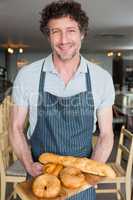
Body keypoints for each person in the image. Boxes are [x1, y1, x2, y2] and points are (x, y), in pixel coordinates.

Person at [9, 0, 115, 199]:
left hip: (82, 180)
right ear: (48, 36)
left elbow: (107, 134)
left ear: (82, 33)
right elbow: (15, 127)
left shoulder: (101, 79)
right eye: (55, 31)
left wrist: (91, 173)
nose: (63, 40)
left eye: (71, 30)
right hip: (40, 176)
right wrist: (28, 165)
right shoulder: (28, 75)